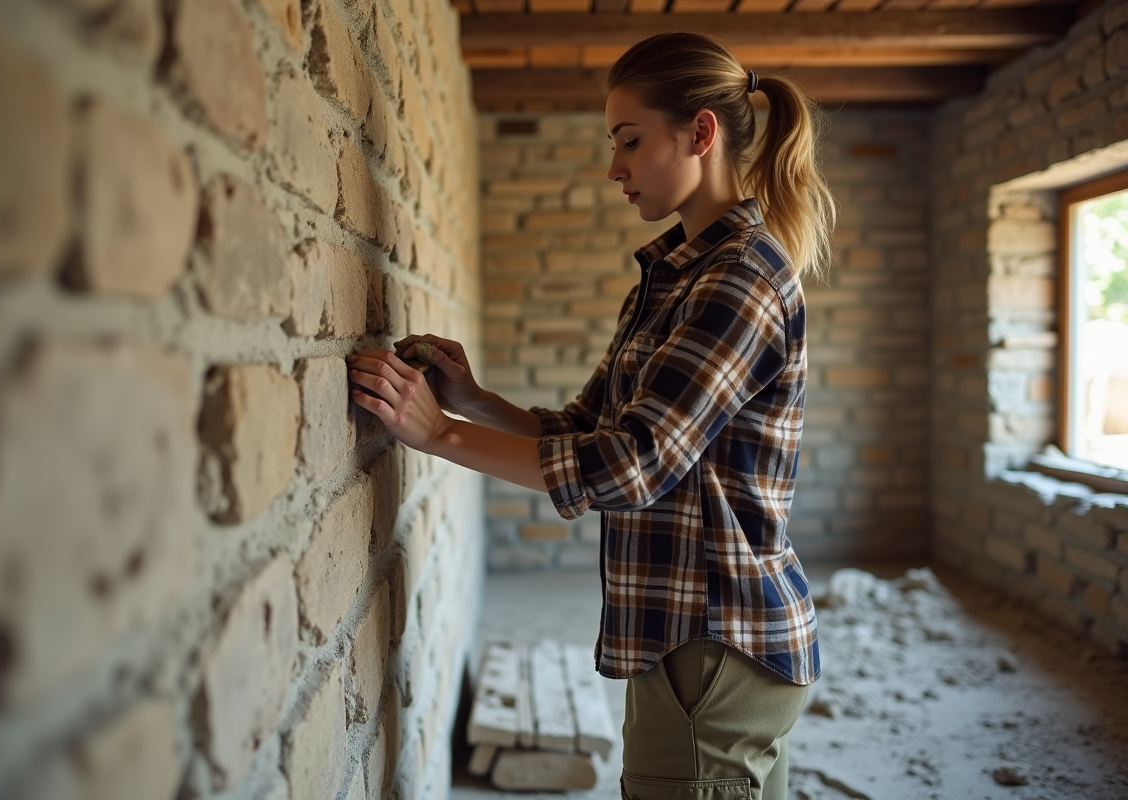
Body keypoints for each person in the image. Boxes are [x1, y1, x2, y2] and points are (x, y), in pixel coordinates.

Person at [346, 31, 835, 800]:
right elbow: (592, 431)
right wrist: (471, 399)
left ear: (700, 133)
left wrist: (437, 434)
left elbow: (629, 469)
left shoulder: (740, 279)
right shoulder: (672, 276)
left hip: (715, 648)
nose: (614, 169)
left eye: (630, 142)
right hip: (695, 646)